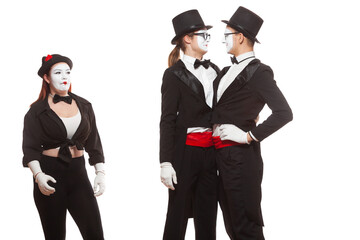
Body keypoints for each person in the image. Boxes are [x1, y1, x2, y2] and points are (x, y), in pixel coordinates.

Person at [212, 7, 293, 240]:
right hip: (219, 158)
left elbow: (284, 113)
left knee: (246, 226)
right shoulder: (226, 70)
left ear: (239, 37)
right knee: (232, 226)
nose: (224, 40)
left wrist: (248, 136)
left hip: (242, 161)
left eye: (227, 34)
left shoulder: (259, 72)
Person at [22, 54, 105, 240]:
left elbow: (94, 141)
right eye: (58, 72)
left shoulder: (84, 105)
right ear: (46, 77)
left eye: (67, 72)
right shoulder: (36, 112)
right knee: (55, 236)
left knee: (95, 234)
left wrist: (100, 172)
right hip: (50, 175)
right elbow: (30, 149)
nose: (64, 77)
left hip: (79, 175)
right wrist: (38, 175)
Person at [159, 9, 219, 240]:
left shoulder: (215, 70)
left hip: (211, 152)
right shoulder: (173, 74)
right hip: (185, 153)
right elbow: (167, 119)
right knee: (178, 213)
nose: (207, 39)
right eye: (203, 34)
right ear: (187, 38)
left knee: (208, 214)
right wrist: (165, 161)